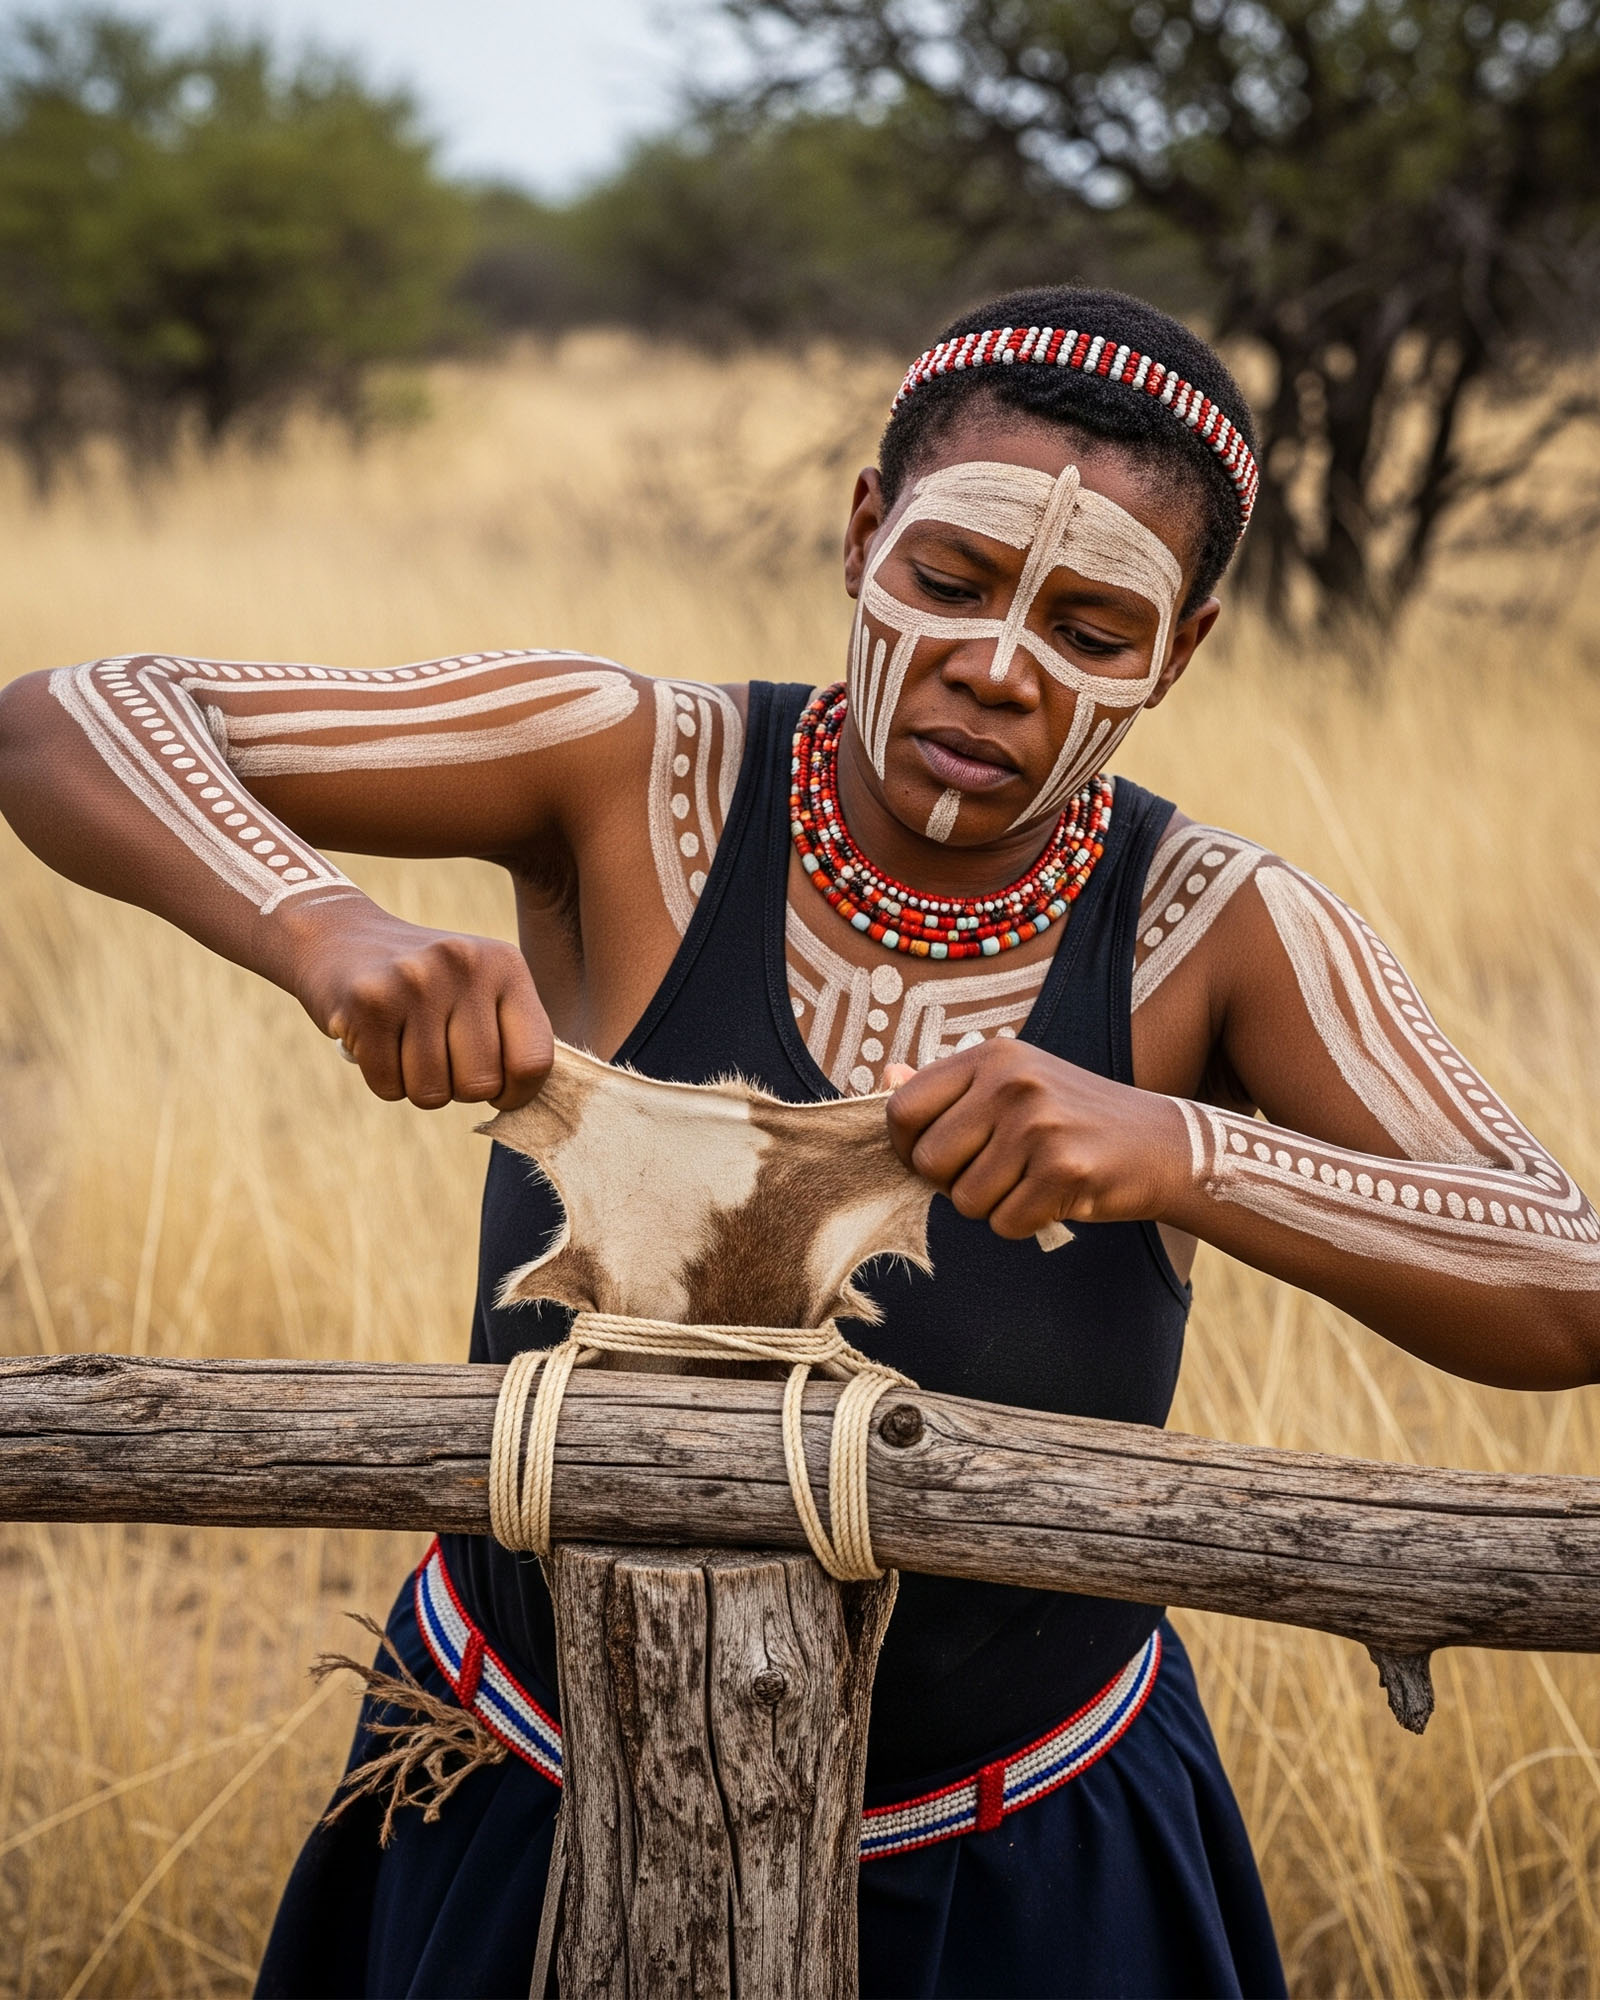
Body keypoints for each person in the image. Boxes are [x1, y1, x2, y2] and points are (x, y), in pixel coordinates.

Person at [1, 283, 1596, 2000]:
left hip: (1019, 1855)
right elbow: (69, 719)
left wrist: (1184, 1152)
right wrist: (330, 936)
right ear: (861, 537)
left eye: (1090, 625)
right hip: (518, 1795)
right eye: (951, 581)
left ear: (1182, 651)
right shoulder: (642, 772)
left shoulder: (1211, 928)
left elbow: (1564, 1284)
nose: (998, 666)